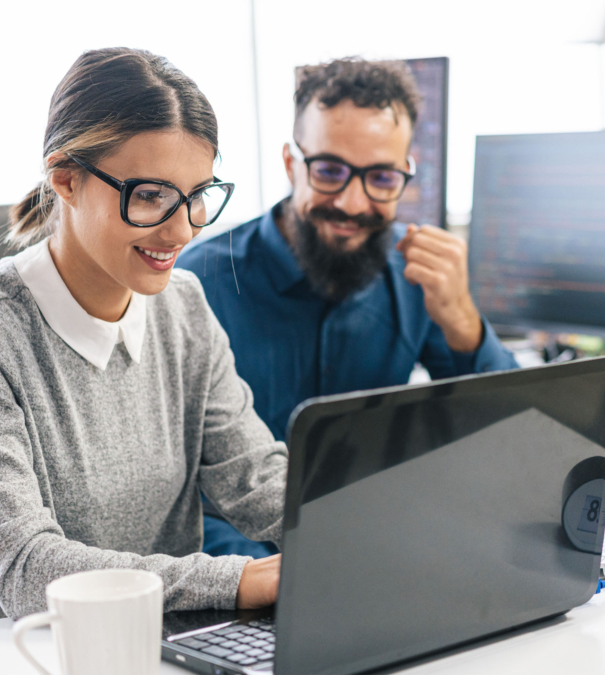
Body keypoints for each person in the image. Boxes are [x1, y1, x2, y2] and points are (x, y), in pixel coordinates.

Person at [0, 48, 286, 624]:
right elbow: (27, 568)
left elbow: (255, 478)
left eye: (197, 195)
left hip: (149, 636)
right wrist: (235, 580)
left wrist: (364, 534)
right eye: (151, 196)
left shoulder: (185, 307)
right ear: (67, 180)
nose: (182, 229)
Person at [177, 57, 520, 558]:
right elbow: (177, 498)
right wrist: (284, 576)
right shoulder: (200, 283)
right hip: (241, 578)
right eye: (331, 171)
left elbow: (510, 436)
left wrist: (465, 323)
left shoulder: (414, 273)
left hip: (379, 554)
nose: (355, 203)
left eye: (381, 178)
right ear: (292, 165)